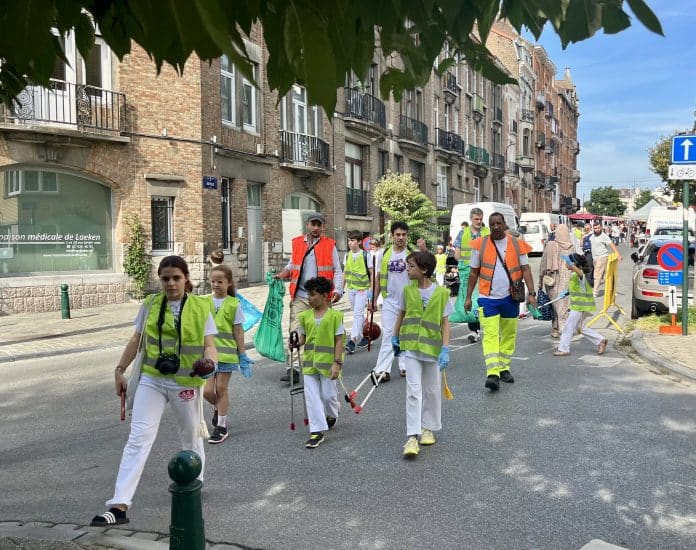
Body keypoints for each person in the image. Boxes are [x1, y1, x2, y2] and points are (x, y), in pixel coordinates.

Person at [91, 256, 218, 526]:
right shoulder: (149, 305)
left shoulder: (201, 306)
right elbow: (136, 339)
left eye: (176, 278)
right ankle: (119, 505)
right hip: (153, 379)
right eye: (165, 278)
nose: (170, 283)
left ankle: (194, 481)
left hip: (185, 382)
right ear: (159, 279)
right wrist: (119, 370)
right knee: (138, 438)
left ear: (186, 279)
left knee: (191, 438)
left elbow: (209, 345)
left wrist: (210, 365)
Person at [464, 213, 537, 392]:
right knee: (490, 335)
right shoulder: (480, 245)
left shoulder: (515, 244)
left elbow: (525, 269)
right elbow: (474, 273)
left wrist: (532, 293)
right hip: (487, 299)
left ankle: (504, 368)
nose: (496, 227)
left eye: (499, 223)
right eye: (492, 224)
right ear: (489, 226)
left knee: (508, 334)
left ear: (504, 224)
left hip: (510, 298)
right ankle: (493, 374)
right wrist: (468, 297)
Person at [392, 251, 451, 457]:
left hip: (433, 350)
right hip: (411, 348)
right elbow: (401, 315)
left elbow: (445, 323)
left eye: (411, 266)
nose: (408, 270)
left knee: (432, 391)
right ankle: (411, 436)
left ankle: (428, 428)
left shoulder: (442, 293)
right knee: (413, 391)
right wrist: (395, 337)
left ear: (424, 270)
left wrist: (445, 348)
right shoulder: (407, 291)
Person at [274, 212, 344, 383]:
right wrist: (283, 273)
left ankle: (322, 363)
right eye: (313, 224)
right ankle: (294, 369)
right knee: (296, 329)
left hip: (322, 298)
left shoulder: (329, 245)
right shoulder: (298, 243)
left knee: (321, 333)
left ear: (323, 227)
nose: (316, 228)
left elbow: (337, 270)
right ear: (307, 225)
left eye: (319, 225)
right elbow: (292, 264)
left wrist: (338, 291)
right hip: (300, 296)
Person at [203, 264, 253, 444]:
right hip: (208, 355)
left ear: (229, 283)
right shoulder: (204, 302)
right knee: (207, 391)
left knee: (221, 389)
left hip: (226, 355)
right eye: (213, 281)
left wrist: (243, 355)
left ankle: (221, 426)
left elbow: (238, 331)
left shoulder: (234, 304)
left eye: (220, 281)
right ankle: (218, 408)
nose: (216, 285)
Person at [295, 277, 345, 448]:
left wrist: (337, 363)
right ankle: (316, 431)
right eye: (308, 294)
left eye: (313, 295)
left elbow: (339, 340)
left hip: (328, 364)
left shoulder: (335, 316)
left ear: (325, 295)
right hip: (309, 364)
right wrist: (295, 343)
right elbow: (302, 338)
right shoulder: (304, 316)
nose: (309, 298)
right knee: (312, 397)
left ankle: (333, 412)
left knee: (328, 396)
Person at [370, 221, 411, 380]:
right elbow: (379, 277)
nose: (401, 237)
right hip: (390, 301)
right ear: (392, 236)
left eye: (404, 234)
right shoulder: (384, 253)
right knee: (388, 334)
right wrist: (373, 299)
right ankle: (382, 370)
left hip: (409, 302)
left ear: (407, 235)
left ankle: (405, 366)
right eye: (398, 235)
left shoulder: (412, 253)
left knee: (405, 334)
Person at [552, 254, 608, 356]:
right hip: (577, 306)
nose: (565, 263)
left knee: (568, 327)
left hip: (578, 307)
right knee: (578, 328)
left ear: (573, 264)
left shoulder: (579, 274)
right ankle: (600, 340)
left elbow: (580, 274)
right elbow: (577, 288)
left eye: (567, 261)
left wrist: (573, 266)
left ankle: (564, 349)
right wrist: (566, 292)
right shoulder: (574, 275)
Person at [454, 207, 490, 343]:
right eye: (476, 219)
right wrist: (462, 262)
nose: (479, 221)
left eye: (480, 219)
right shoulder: (463, 233)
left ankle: (488, 328)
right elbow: (457, 252)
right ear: (471, 219)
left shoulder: (487, 232)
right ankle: (474, 331)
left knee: (484, 299)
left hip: (485, 271)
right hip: (468, 271)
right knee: (469, 300)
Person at [538, 223, 576, 338]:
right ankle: (562, 328)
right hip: (566, 280)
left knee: (554, 304)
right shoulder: (571, 246)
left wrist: (540, 280)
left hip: (551, 280)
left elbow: (543, 264)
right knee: (563, 304)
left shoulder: (551, 245)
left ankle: (557, 328)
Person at [343, 230, 372, 353]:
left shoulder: (366, 255)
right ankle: (367, 334)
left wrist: (371, 293)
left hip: (362, 290)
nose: (350, 243)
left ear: (359, 242)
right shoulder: (347, 255)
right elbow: (345, 272)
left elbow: (372, 273)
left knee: (357, 315)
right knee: (357, 314)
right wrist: (340, 289)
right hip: (351, 289)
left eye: (353, 240)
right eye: (349, 240)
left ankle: (353, 340)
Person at [590, 220, 622, 297]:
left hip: (602, 257)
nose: (597, 229)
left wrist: (618, 255)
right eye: (595, 228)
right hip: (595, 258)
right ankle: (612, 291)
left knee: (597, 274)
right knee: (605, 276)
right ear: (593, 229)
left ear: (601, 228)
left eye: (598, 228)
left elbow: (612, 245)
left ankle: (595, 291)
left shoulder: (603, 236)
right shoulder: (592, 235)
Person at [581, 222, 595, 287]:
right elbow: (581, 244)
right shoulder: (584, 235)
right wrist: (582, 238)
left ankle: (589, 282)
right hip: (585, 253)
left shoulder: (593, 235)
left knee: (589, 267)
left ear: (590, 228)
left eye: (587, 229)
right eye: (585, 229)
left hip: (591, 252)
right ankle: (590, 282)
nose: (586, 230)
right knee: (589, 267)